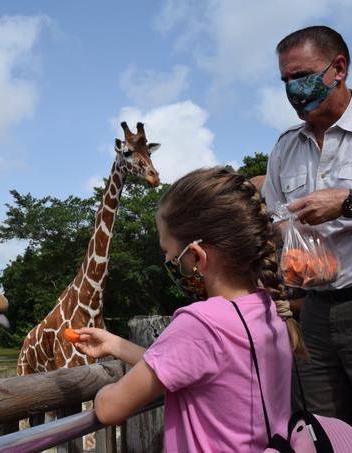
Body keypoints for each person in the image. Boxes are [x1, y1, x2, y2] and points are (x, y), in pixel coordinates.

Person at [74, 167, 306, 452]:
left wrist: (99, 395)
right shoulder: (268, 307)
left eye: (169, 253)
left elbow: (111, 409)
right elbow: (192, 364)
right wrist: (117, 345)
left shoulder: (201, 323)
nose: (169, 261)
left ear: (196, 256)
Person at [261, 25, 352, 440]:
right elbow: (276, 221)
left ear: (339, 68)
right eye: (286, 80)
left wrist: (349, 201)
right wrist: (293, 250)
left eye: (302, 76)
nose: (293, 89)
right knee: (319, 432)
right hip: (315, 314)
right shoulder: (286, 147)